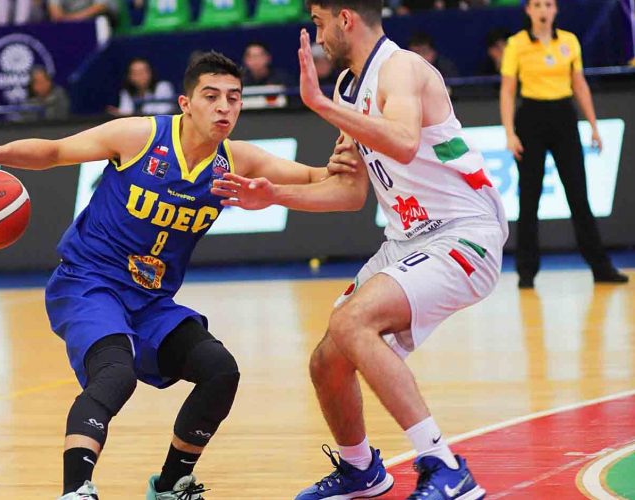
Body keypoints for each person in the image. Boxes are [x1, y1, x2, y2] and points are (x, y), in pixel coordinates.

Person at [0, 51, 345, 500]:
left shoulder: (237, 160)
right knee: (116, 374)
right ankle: (75, 491)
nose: (223, 107)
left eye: (233, 98)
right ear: (185, 103)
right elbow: (55, 151)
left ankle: (171, 486)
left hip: (151, 301)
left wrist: (356, 151)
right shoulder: (139, 136)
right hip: (89, 283)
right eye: (211, 96)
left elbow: (317, 177)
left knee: (220, 371)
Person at [214, 1, 507, 498]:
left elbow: (405, 142)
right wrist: (274, 194)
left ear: (345, 18)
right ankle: (361, 469)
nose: (317, 35)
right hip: (406, 240)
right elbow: (350, 193)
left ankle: (445, 467)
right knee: (326, 360)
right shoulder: (347, 88)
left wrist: (322, 105)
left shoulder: (401, 68)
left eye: (319, 22)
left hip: (463, 233)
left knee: (352, 323)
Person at [500, 0, 627, 288]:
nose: (543, 10)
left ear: (555, 9)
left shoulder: (569, 41)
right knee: (529, 198)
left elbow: (579, 84)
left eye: (548, 4)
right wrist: (509, 133)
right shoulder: (517, 44)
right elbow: (507, 90)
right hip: (531, 117)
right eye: (537, 5)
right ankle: (526, 272)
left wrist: (593, 125)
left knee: (578, 194)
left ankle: (600, 267)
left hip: (564, 117)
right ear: (528, 11)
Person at [109, 57, 176, 116]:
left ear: (150, 73)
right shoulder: (126, 92)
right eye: (135, 73)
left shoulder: (163, 87)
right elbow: (126, 114)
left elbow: (163, 111)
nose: (140, 76)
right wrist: (120, 114)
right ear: (129, 76)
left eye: (143, 71)